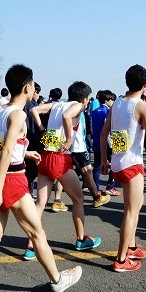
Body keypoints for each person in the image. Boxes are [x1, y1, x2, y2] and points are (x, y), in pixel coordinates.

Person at [0, 64, 82, 292]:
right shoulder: (19, 114)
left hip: (0, 175)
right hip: (12, 180)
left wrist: (26, 154)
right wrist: (0, 186)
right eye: (33, 86)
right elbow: (4, 150)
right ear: (27, 88)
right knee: (37, 234)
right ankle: (57, 280)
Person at [24, 81, 103, 260]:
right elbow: (68, 116)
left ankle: (31, 246)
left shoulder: (57, 104)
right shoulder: (77, 106)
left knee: (40, 204)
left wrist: (42, 129)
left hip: (45, 156)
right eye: (88, 99)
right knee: (78, 199)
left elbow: (34, 110)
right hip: (60, 158)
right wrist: (68, 139)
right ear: (84, 98)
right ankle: (81, 239)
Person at [100, 64, 146, 272]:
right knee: (130, 211)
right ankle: (122, 260)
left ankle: (130, 246)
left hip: (119, 162)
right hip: (132, 163)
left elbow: (104, 134)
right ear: (145, 85)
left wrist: (104, 159)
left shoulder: (117, 103)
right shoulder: (143, 106)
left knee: (137, 205)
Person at [91, 90, 119, 195]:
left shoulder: (94, 111)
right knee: (115, 164)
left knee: (97, 166)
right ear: (107, 100)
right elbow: (109, 129)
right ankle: (110, 186)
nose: (113, 102)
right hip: (107, 142)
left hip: (96, 141)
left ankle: (96, 188)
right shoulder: (107, 112)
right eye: (112, 100)